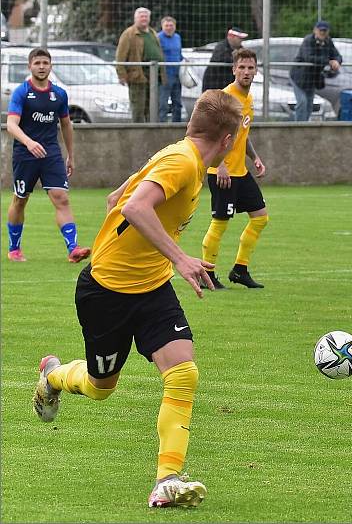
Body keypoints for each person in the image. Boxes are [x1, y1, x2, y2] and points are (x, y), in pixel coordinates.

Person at [32, 89, 242, 508]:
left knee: (183, 372)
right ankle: (53, 375)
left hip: (152, 290)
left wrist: (160, 256)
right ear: (229, 140)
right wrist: (180, 257)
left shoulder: (180, 157)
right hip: (105, 293)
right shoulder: (181, 162)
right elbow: (134, 208)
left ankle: (167, 479)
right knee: (99, 387)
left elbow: (117, 199)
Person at [5, 48, 91, 263]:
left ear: (51, 66)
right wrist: (29, 142)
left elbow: (66, 124)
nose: (41, 66)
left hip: (51, 153)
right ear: (30, 66)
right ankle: (14, 248)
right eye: (37, 63)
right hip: (25, 155)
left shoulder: (59, 94)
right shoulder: (22, 93)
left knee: (61, 198)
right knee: (20, 200)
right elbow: (11, 125)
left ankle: (73, 249)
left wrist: (70, 155)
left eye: (45, 63)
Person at [201, 49, 268, 289]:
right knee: (220, 223)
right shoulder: (226, 99)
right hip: (222, 173)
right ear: (233, 70)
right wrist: (219, 165)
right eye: (242, 67)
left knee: (260, 218)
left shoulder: (248, 99)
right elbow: (212, 135)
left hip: (240, 171)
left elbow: (241, 135)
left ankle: (240, 269)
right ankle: (206, 274)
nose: (246, 72)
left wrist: (255, 157)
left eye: (250, 68)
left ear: (256, 70)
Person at [116, 7, 167, 123]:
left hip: (154, 77)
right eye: (141, 16)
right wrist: (122, 74)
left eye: (146, 16)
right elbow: (120, 56)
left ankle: (151, 134)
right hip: (138, 77)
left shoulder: (153, 32)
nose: (144, 19)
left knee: (152, 108)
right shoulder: (129, 34)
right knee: (138, 109)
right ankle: (138, 135)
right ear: (135, 18)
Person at [289, 21, 342, 122]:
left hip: (312, 78)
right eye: (320, 30)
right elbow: (309, 57)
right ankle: (298, 127)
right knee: (302, 102)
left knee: (309, 105)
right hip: (299, 78)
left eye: (324, 31)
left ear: (328, 32)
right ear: (315, 30)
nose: (322, 33)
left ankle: (305, 125)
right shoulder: (308, 40)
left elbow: (337, 55)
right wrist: (329, 61)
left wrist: (336, 61)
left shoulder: (328, 41)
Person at [202, 26, 249, 92]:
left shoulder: (241, 49)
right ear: (231, 37)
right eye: (239, 38)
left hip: (229, 85)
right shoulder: (220, 47)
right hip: (214, 84)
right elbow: (219, 59)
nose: (241, 40)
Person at [157, 16, 183, 122]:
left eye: (171, 25)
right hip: (165, 75)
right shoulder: (158, 38)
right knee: (163, 102)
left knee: (177, 102)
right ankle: (160, 127)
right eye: (166, 25)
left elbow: (179, 54)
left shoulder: (177, 37)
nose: (169, 28)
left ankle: (177, 125)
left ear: (175, 26)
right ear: (162, 26)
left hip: (177, 74)